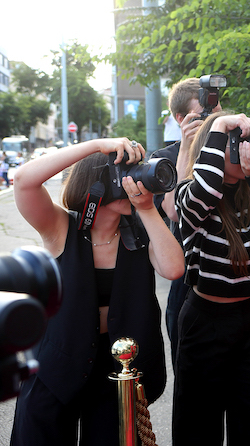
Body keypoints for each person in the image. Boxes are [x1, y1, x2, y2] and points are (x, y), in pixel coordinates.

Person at [10, 138, 185, 445]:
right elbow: (24, 180)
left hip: (115, 371)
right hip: (57, 365)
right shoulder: (61, 226)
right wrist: (97, 146)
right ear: (97, 182)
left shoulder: (140, 231)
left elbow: (174, 270)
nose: (134, 181)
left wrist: (145, 208)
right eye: (123, 173)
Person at [172, 110, 250, 445]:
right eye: (236, 143)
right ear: (213, 150)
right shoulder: (188, 195)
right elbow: (203, 195)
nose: (245, 149)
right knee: (198, 429)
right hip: (205, 323)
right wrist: (216, 127)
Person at [151, 77, 222, 364]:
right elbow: (174, 212)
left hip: (233, 276)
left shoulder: (229, 151)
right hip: (189, 280)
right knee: (191, 381)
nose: (214, 119)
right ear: (180, 118)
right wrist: (186, 149)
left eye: (216, 112)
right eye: (204, 114)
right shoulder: (164, 159)